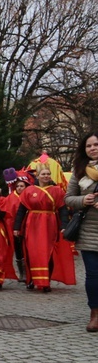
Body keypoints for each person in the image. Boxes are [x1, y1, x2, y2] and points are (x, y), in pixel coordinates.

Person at [14, 164, 74, 292]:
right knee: (32, 253)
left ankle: (46, 281)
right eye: (43, 174)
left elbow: (63, 209)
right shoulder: (29, 191)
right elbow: (21, 210)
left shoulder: (57, 190)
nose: (46, 176)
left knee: (48, 252)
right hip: (32, 225)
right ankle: (31, 280)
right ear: (38, 176)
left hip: (49, 224)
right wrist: (16, 227)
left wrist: (64, 225)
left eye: (48, 174)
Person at [64, 133, 98, 332]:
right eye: (89, 146)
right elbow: (68, 198)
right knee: (93, 275)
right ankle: (95, 314)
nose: (93, 148)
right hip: (88, 231)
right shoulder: (79, 172)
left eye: (96, 145)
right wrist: (82, 201)